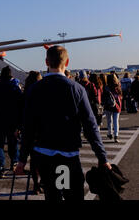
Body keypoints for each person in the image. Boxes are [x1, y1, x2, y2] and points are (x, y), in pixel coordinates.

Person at [15, 46, 111, 201]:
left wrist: (22, 159)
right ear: (67, 62)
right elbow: (90, 126)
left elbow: (28, 127)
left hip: (44, 155)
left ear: (47, 62)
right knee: (71, 194)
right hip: (67, 156)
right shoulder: (76, 89)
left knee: (52, 195)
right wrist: (102, 157)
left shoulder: (35, 89)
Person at [0, 66, 23, 178]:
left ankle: (0, 167)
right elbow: (20, 106)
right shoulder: (15, 88)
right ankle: (14, 162)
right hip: (12, 120)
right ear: (11, 76)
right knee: (13, 142)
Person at [22, 71, 43, 194]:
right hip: (42, 131)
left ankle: (36, 185)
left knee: (33, 160)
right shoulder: (43, 94)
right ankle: (43, 183)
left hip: (29, 130)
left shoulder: (25, 94)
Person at [102, 74, 122, 143]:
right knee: (116, 121)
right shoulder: (118, 86)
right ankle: (116, 135)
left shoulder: (106, 87)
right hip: (117, 105)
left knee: (109, 120)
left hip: (108, 105)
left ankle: (109, 133)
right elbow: (120, 95)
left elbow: (103, 96)